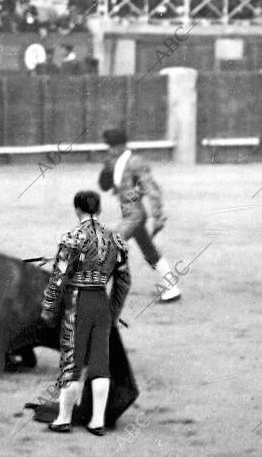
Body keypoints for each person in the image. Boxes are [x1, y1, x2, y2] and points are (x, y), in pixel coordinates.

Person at [41, 190, 130, 436]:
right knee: (100, 363)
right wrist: (113, 311)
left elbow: (58, 279)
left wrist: (48, 307)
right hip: (101, 302)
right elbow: (124, 281)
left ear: (77, 209)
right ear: (99, 209)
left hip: (77, 302)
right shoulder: (116, 239)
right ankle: (97, 422)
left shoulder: (73, 238)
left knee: (72, 361)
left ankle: (63, 418)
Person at [98, 129, 181, 303]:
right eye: (109, 146)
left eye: (112, 146)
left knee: (111, 245)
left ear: (121, 145)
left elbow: (152, 190)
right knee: (149, 250)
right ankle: (171, 287)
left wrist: (158, 216)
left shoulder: (135, 162)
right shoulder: (116, 162)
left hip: (134, 215)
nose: (110, 150)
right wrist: (106, 170)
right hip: (129, 213)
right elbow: (105, 187)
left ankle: (94, 291)